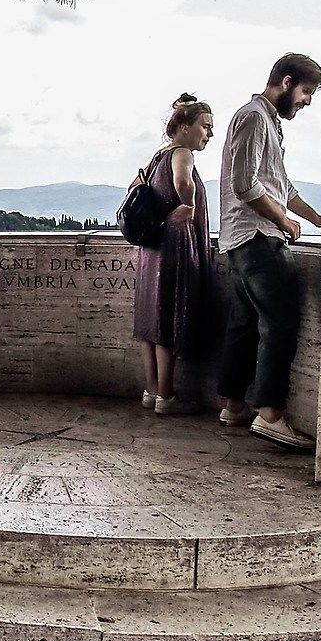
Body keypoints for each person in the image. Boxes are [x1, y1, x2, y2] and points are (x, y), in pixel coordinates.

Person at [216, 53, 321, 449]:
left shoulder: (267, 121)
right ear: (287, 82)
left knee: (244, 323)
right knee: (280, 322)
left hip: (242, 239)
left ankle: (233, 405)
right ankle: (271, 415)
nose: (307, 102)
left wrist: (317, 219)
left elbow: (280, 186)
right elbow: (245, 184)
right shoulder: (254, 117)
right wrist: (284, 222)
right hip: (257, 237)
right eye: (307, 92)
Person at [131, 94, 219, 413]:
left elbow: (134, 188)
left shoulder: (158, 156)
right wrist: (189, 204)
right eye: (205, 126)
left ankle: (152, 390)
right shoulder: (182, 153)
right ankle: (167, 397)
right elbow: (183, 181)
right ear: (184, 127)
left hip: (152, 246)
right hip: (174, 244)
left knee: (150, 318)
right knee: (167, 317)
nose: (209, 134)